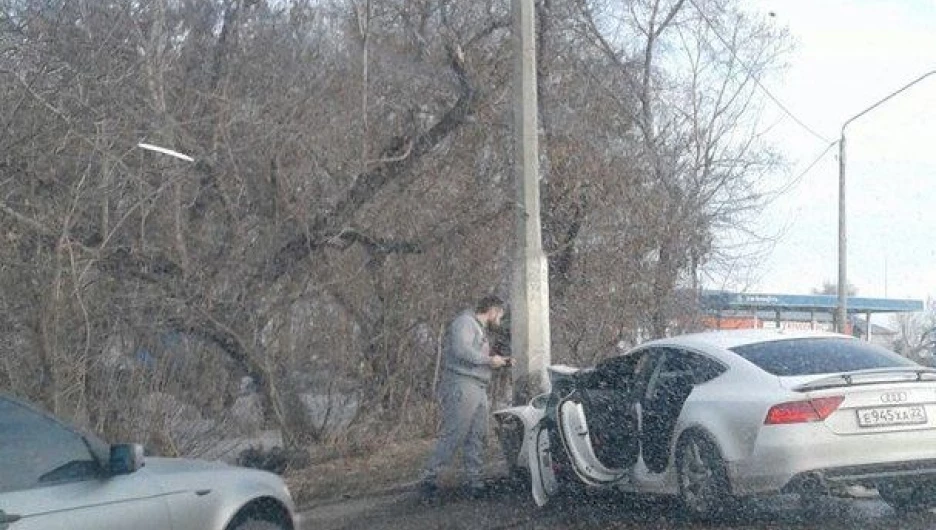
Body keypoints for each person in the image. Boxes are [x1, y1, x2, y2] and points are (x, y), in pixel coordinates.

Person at [419, 295, 509, 501]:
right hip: (462, 384)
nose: (499, 320)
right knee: (454, 434)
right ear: (493, 310)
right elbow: (462, 351)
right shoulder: (465, 323)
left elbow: (474, 354)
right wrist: (488, 360)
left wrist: (499, 361)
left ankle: (474, 482)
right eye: (500, 315)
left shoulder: (479, 328)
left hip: (478, 386)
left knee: (477, 435)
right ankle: (429, 480)